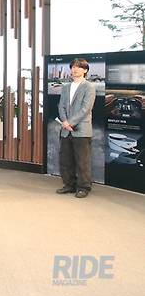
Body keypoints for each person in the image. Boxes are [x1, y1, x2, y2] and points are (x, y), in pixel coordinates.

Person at [56, 58, 96, 198]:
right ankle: (69, 185)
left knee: (82, 161)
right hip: (66, 130)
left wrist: (70, 122)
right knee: (66, 160)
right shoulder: (66, 87)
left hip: (81, 129)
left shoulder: (89, 87)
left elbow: (86, 108)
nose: (75, 69)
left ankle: (83, 187)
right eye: (73, 67)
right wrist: (65, 121)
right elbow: (61, 106)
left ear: (85, 70)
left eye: (79, 67)